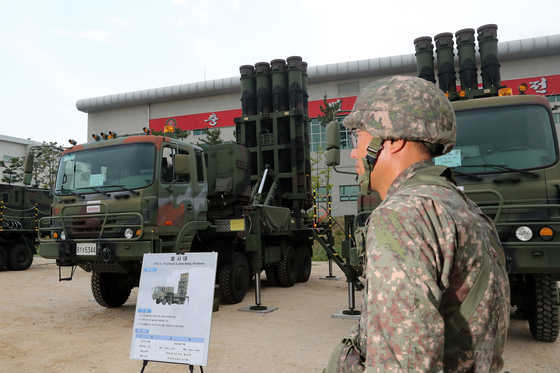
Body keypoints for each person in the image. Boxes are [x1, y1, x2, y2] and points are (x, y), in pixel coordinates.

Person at [325, 76, 510, 372]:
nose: (352, 151)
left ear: (393, 140)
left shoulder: (402, 217)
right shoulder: (461, 206)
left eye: (357, 136)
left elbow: (404, 363)